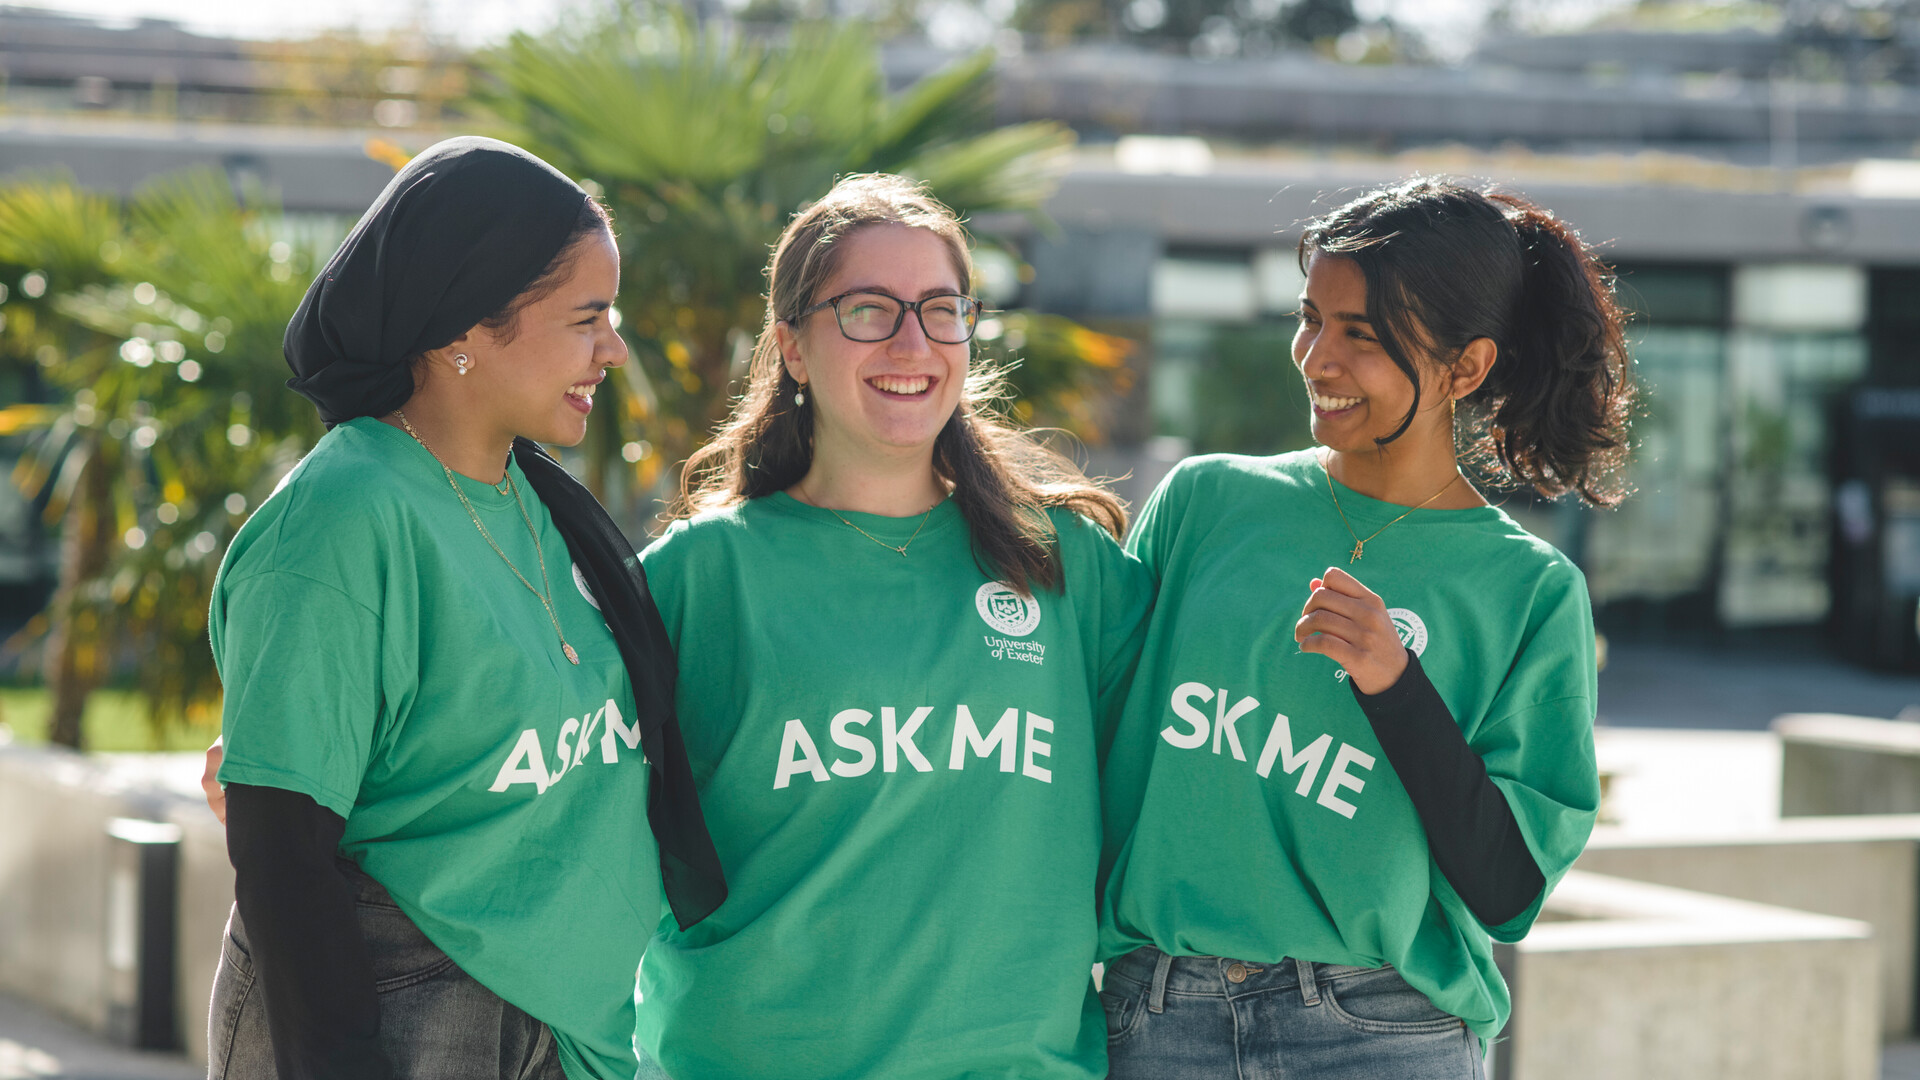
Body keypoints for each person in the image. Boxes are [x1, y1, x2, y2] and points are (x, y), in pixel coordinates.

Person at [204, 136, 722, 1080]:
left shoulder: (541, 502)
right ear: (465, 332)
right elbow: (283, 857)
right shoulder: (343, 520)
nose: (614, 349)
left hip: (574, 1026)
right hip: (408, 1012)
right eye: (587, 318)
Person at [1096, 177, 1632, 1078]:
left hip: (1376, 1030)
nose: (1316, 358)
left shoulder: (1528, 590)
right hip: (1159, 1014)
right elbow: (1087, 725)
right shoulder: (1205, 503)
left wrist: (1397, 684)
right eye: (1311, 318)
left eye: (1363, 336)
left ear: (1466, 368)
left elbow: (1505, 891)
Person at [630, 173, 1155, 1080]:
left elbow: (1181, 786)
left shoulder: (1064, 563)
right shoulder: (698, 575)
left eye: (940, 308)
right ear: (792, 348)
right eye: (869, 310)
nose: (913, 341)